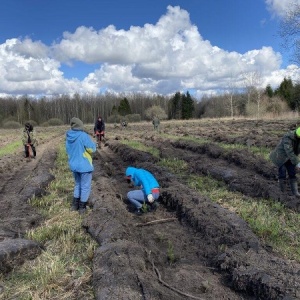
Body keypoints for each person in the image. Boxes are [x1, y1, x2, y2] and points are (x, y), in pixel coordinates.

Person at [66, 117, 97, 214]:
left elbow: (67, 150)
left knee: (77, 184)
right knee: (85, 186)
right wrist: (94, 145)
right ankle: (82, 208)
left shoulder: (68, 136)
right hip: (84, 165)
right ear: (80, 125)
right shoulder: (83, 135)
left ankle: (74, 205)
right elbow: (92, 149)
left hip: (74, 165)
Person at [269, 127, 300, 197]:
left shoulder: (298, 139)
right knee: (282, 173)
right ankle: (282, 192)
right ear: (297, 135)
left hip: (291, 158)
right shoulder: (288, 137)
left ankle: (295, 192)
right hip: (280, 157)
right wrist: (298, 163)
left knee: (292, 173)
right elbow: (289, 152)